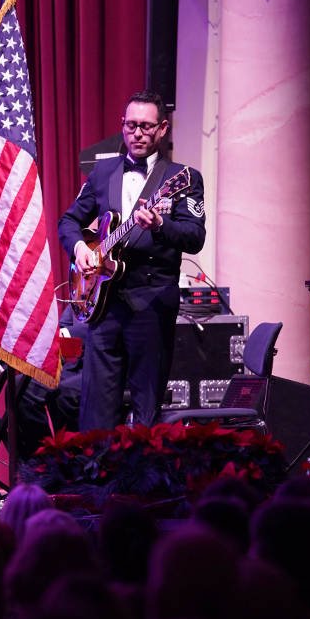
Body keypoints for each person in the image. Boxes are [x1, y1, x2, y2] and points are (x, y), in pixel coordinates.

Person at [58, 90, 205, 431]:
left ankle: (141, 482)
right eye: (131, 126)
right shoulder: (103, 172)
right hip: (103, 307)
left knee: (146, 409)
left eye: (146, 126)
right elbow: (68, 221)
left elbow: (195, 238)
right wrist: (81, 248)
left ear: (162, 128)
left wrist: (161, 224)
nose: (137, 134)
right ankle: (98, 480)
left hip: (151, 302)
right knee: (96, 410)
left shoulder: (182, 178)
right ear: (122, 126)